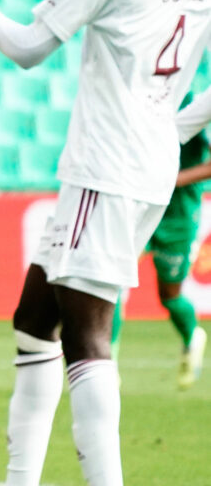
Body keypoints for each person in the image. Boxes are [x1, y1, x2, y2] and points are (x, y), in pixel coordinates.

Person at [0, 0, 211, 484]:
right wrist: (171, 126)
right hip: (147, 164)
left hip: (105, 166)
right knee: (34, 320)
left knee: (87, 337)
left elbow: (29, 47)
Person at [111, 114, 208, 389]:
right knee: (113, 279)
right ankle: (106, 360)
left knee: (169, 296)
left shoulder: (193, 106)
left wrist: (172, 179)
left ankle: (191, 337)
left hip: (178, 217)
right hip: (140, 207)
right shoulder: (144, 102)